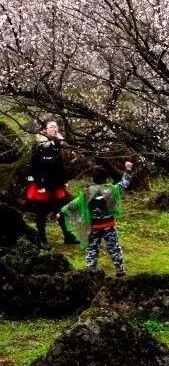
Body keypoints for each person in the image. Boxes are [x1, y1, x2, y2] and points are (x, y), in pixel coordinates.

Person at [59, 161, 134, 277]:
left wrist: (61, 212)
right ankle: (120, 270)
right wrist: (128, 169)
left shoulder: (87, 193)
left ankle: (90, 269)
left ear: (92, 178)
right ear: (106, 178)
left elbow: (74, 204)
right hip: (109, 225)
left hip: (94, 227)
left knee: (92, 248)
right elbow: (124, 183)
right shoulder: (112, 189)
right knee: (114, 248)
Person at [25, 119, 78, 249]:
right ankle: (42, 239)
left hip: (55, 183)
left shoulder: (57, 143)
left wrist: (64, 181)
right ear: (44, 130)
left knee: (60, 210)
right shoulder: (38, 144)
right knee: (41, 213)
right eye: (51, 127)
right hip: (42, 184)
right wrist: (39, 185)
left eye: (56, 127)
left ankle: (68, 236)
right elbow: (34, 166)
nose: (55, 129)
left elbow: (60, 165)